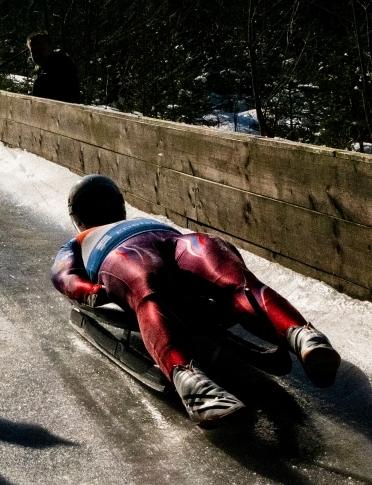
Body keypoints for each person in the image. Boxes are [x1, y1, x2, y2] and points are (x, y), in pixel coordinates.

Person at [50, 174, 338, 426]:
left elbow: (62, 274)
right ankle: (302, 333)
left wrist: (87, 290)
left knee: (147, 290)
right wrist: (87, 289)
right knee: (235, 282)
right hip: (182, 243)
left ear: (78, 217)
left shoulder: (80, 241)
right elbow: (63, 275)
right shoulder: (137, 221)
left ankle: (191, 381)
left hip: (124, 255)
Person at [27, 32, 83, 103]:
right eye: (34, 51)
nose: (38, 54)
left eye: (41, 49)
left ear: (50, 47)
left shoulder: (62, 68)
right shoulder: (43, 71)